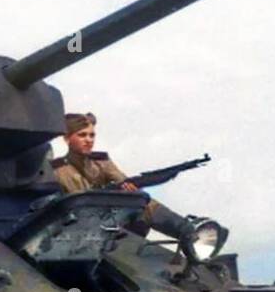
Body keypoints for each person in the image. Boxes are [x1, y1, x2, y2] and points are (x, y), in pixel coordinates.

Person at [52, 112, 200, 265]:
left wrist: (127, 190)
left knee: (141, 201)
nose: (89, 140)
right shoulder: (59, 170)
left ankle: (185, 230)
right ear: (67, 138)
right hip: (81, 231)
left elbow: (121, 180)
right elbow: (78, 203)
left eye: (92, 135)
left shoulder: (100, 161)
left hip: (109, 220)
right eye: (82, 135)